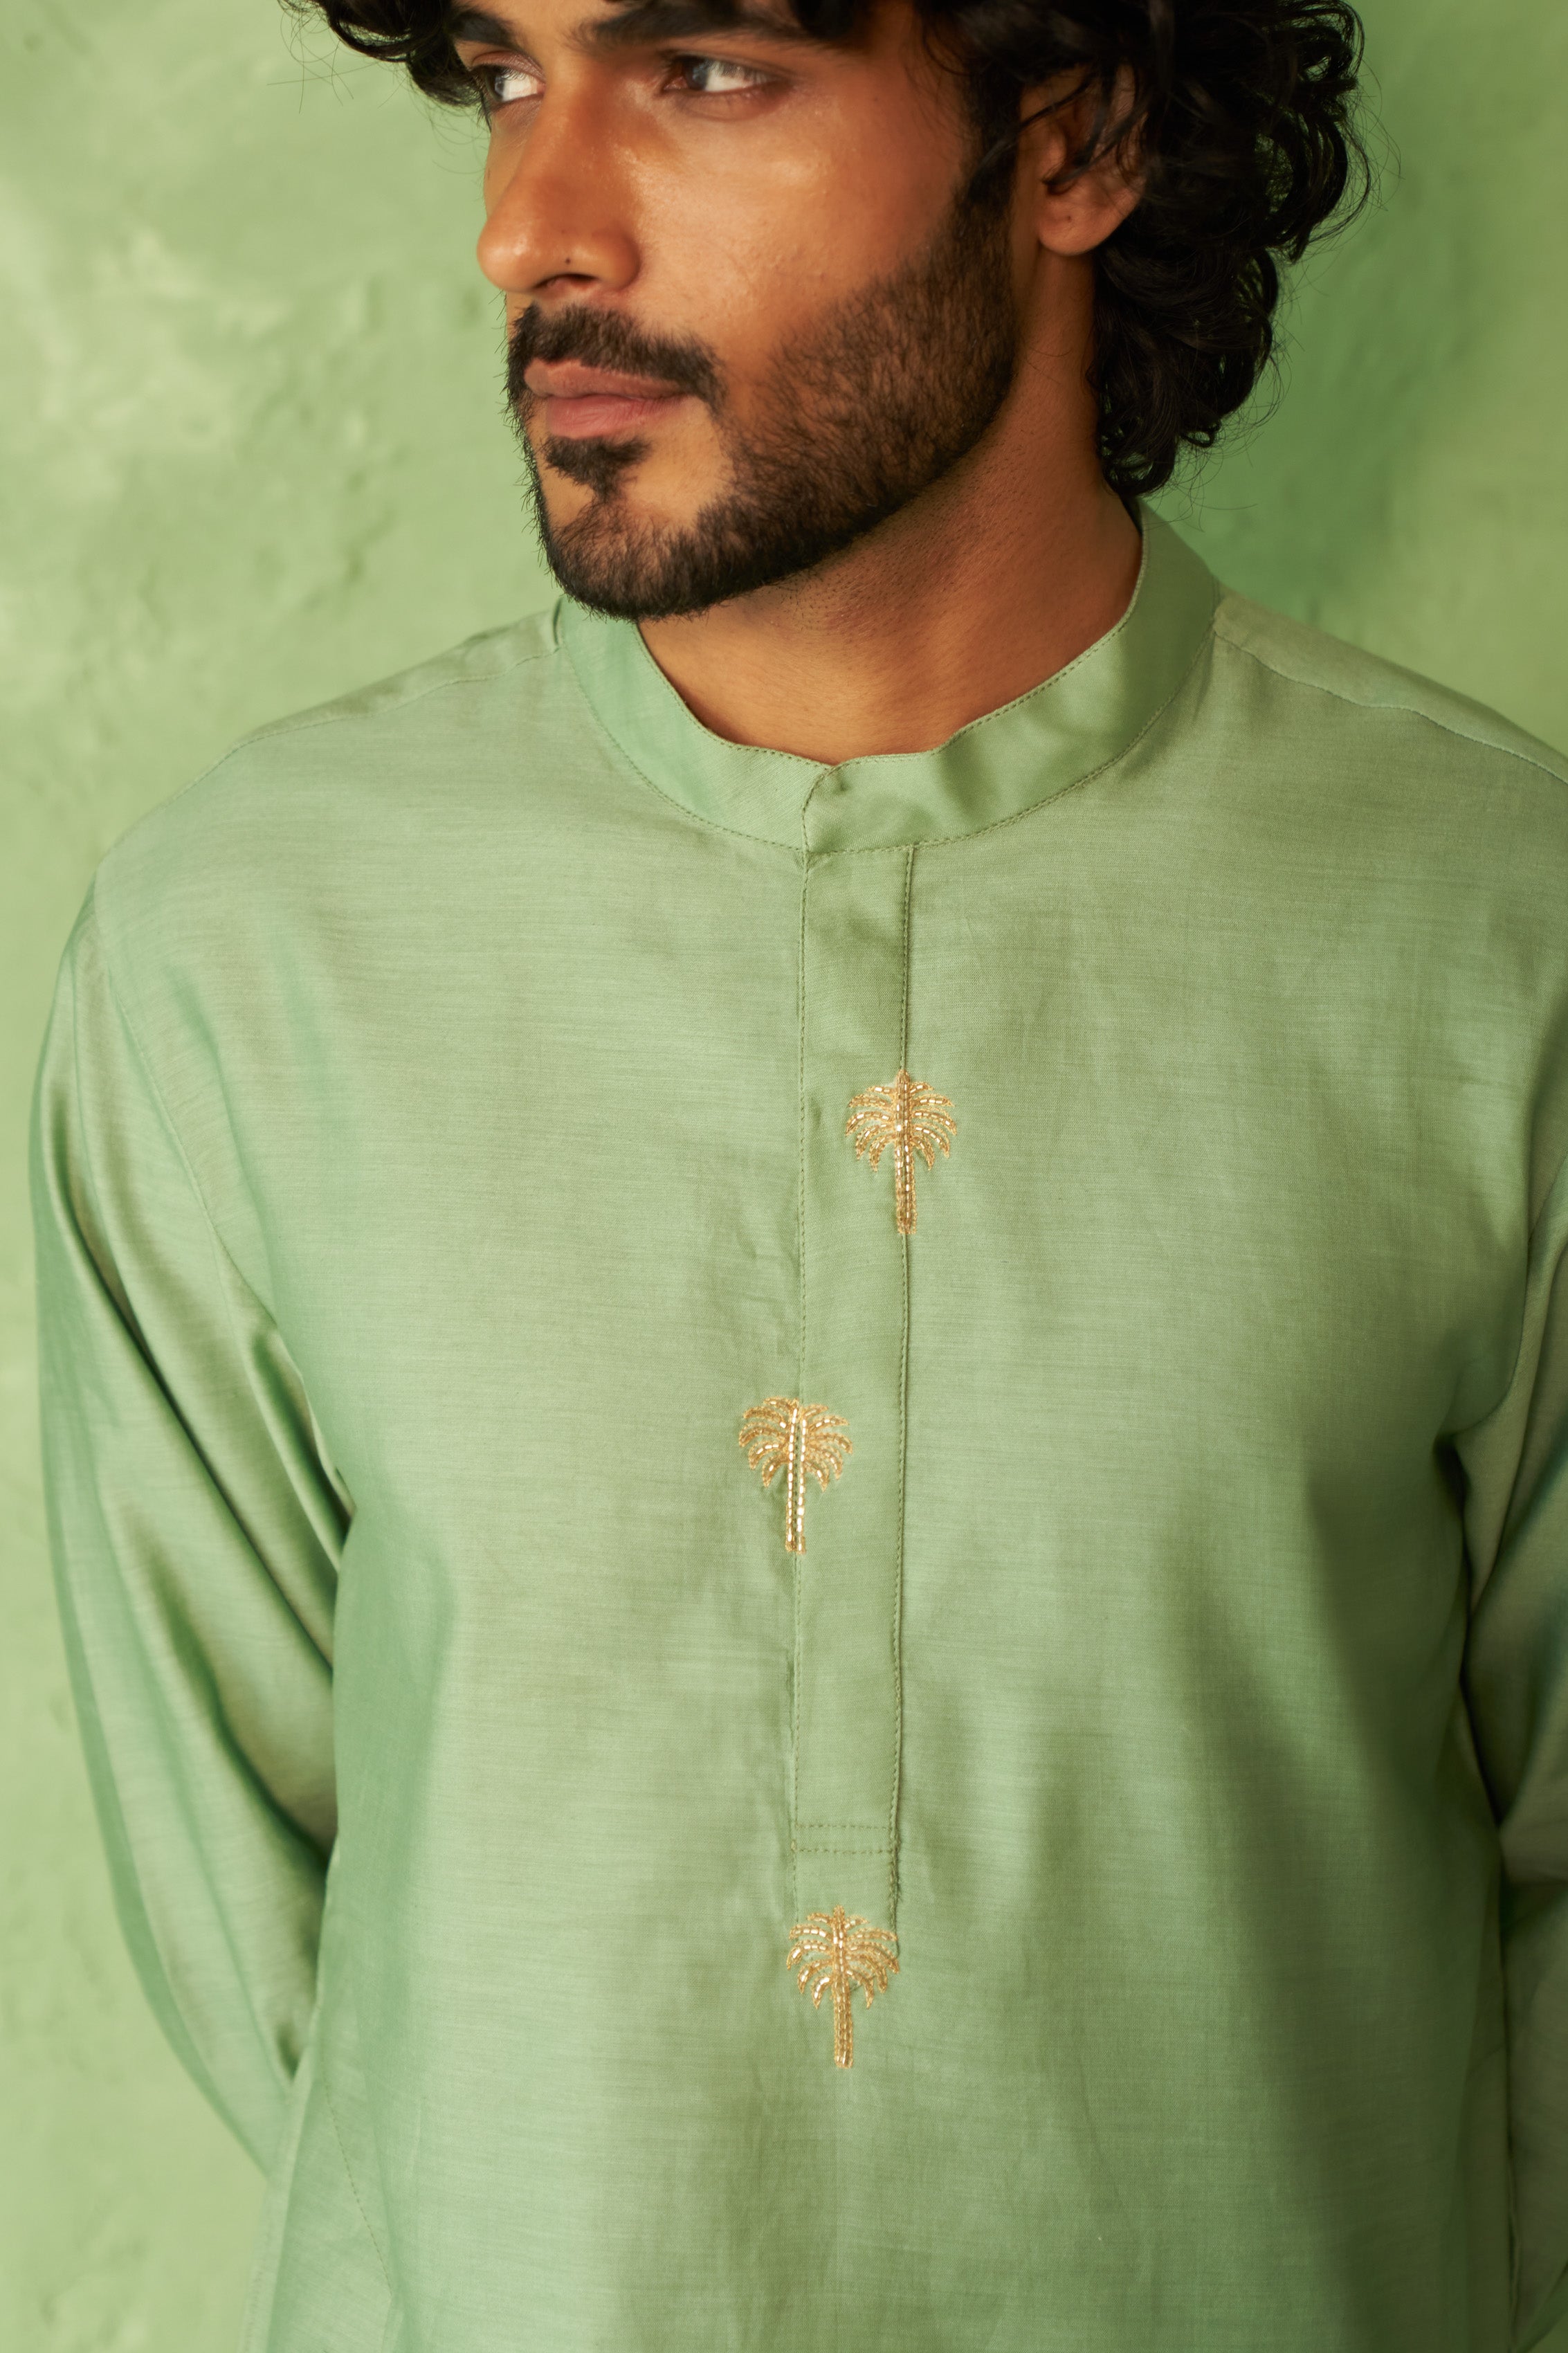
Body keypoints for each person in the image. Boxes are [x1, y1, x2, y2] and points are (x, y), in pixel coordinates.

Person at [26, 0, 1568, 2344]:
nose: (528, 228)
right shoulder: (243, 946)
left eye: (704, 69)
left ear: (1074, 138)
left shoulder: (1493, 931)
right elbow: (291, 1966)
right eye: (500, 76)